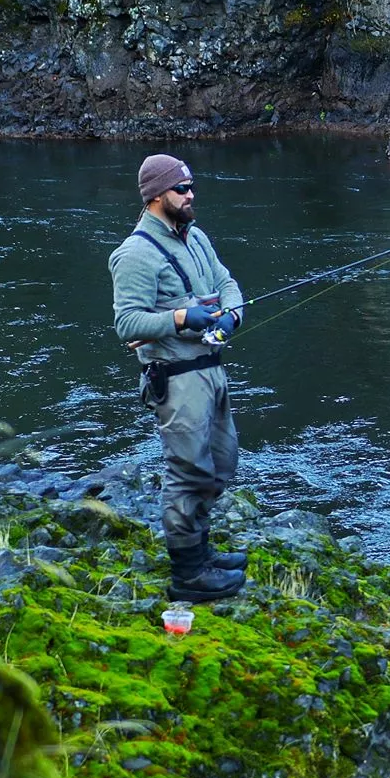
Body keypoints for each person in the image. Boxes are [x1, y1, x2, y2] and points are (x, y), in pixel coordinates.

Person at [109, 153, 249, 602]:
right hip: (176, 379)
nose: (191, 195)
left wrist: (231, 317)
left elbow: (228, 283)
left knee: (221, 465)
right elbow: (127, 324)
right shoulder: (134, 254)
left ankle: (202, 551)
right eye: (182, 189)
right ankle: (188, 574)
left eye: (191, 186)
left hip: (213, 372)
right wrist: (182, 317)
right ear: (156, 196)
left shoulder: (198, 238)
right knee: (188, 473)